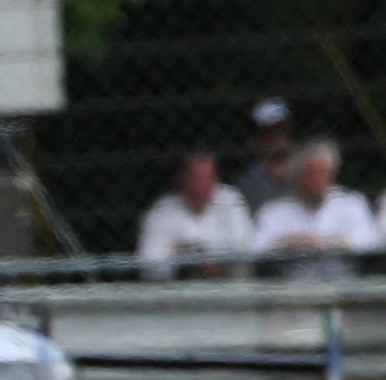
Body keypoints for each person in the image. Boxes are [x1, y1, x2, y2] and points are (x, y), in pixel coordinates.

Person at [252, 139, 382, 280]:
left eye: (324, 172)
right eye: (311, 173)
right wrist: (288, 243)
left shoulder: (351, 203)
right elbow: (255, 247)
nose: (318, 179)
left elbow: (371, 240)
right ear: (298, 176)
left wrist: (334, 243)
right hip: (293, 287)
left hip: (345, 284)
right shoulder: (275, 210)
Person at [137, 152, 253, 280]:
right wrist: (188, 260)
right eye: (197, 177)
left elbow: (244, 244)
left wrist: (200, 252)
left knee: (240, 268)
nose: (205, 183)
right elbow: (151, 264)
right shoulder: (162, 212)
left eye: (209, 177)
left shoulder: (230, 200)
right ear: (182, 180)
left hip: (225, 276)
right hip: (180, 281)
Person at [235, 97, 294, 215]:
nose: (279, 139)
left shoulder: (303, 173)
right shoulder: (248, 183)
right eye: (271, 133)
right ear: (257, 139)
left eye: (282, 131)